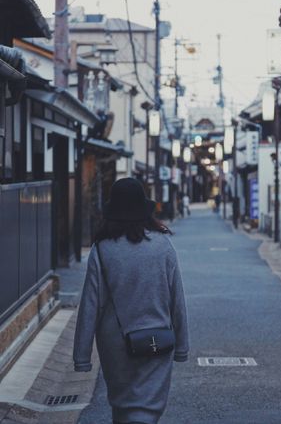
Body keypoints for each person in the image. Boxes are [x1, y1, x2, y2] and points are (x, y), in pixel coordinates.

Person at [73, 178, 189, 424]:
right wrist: (182, 345)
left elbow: (90, 305)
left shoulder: (102, 249)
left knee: (123, 405)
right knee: (149, 407)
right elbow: (177, 299)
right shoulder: (163, 245)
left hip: (116, 343)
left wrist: (82, 355)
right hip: (158, 339)